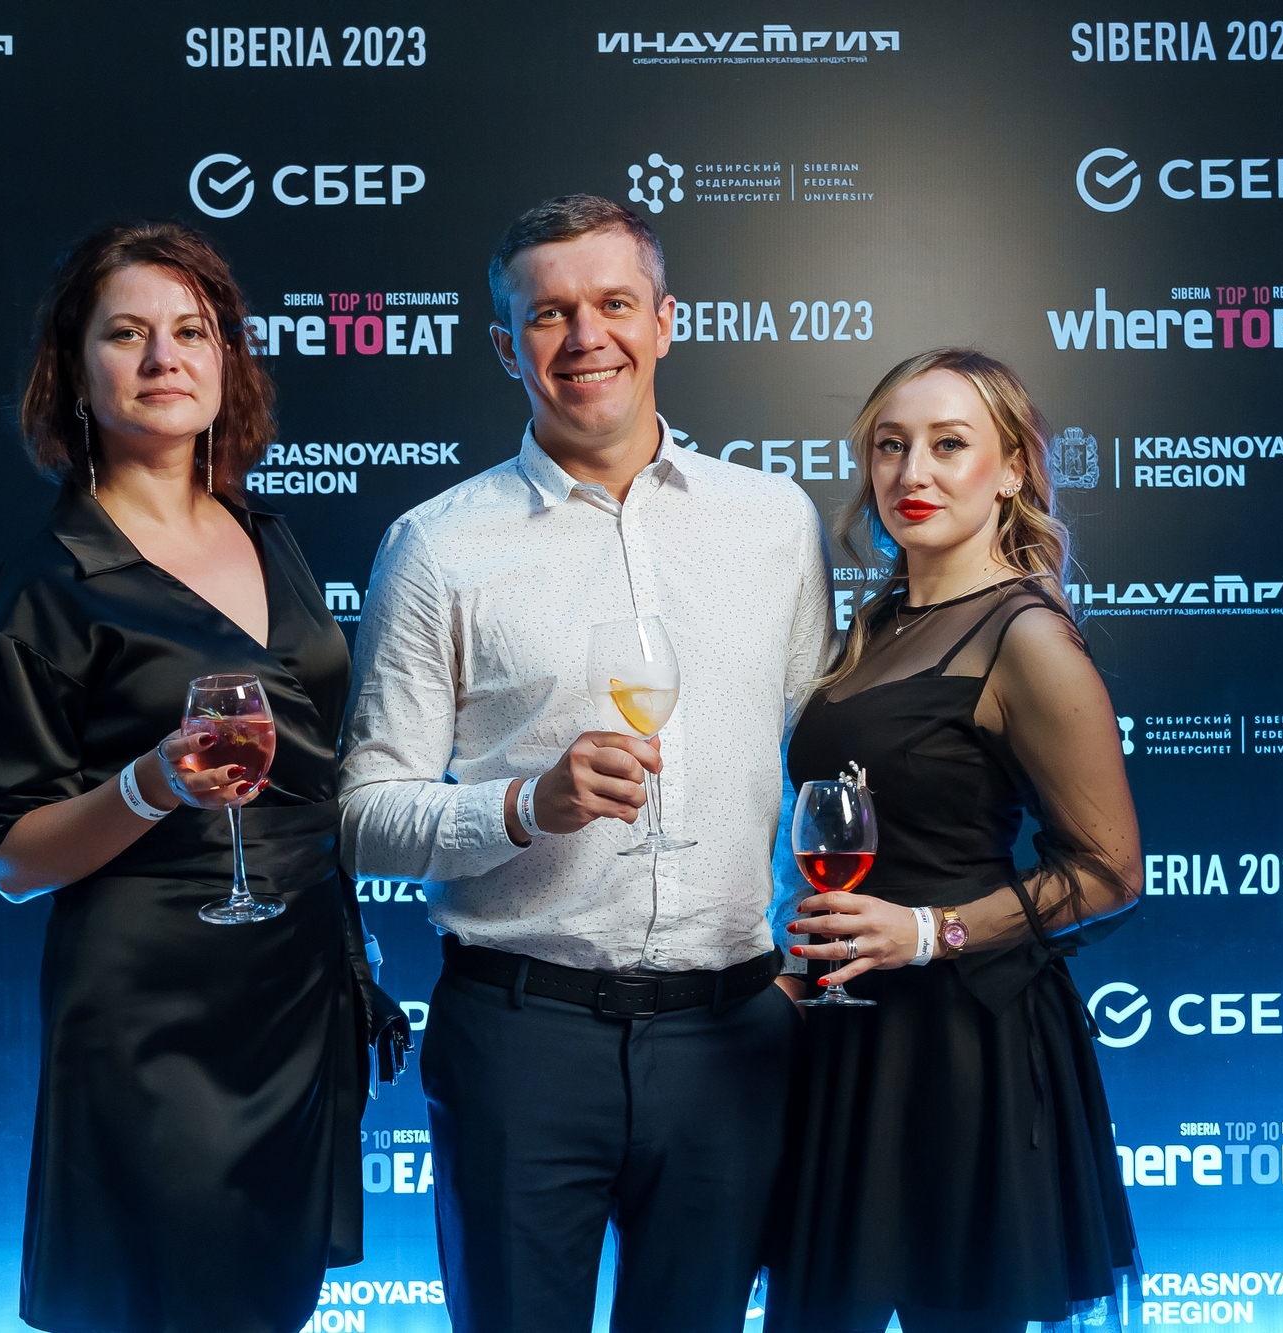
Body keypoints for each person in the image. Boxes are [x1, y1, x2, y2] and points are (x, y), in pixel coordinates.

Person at [337, 194, 833, 1331]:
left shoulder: (773, 522)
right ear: (504, 344)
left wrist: (798, 975)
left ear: (665, 321)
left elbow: (818, 763)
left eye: (613, 303)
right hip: (523, 1037)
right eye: (548, 313)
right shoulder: (436, 545)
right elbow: (362, 816)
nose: (584, 336)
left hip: (731, 1035)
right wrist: (523, 806)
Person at [0, 222, 401, 1333]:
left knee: (273, 1295)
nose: (164, 358)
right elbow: (11, 858)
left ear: (227, 359)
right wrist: (151, 783)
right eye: (127, 334)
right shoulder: (44, 585)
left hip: (297, 983)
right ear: (74, 369)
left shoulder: (269, 534)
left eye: (192, 332)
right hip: (152, 1008)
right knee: (170, 1299)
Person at [768, 348, 1143, 1333]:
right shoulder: (873, 626)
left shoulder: (1026, 637)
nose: (912, 473)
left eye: (947, 445)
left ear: (1011, 468)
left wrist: (929, 932)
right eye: (890, 446)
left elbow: (1109, 872)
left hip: (963, 1044)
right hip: (850, 1034)